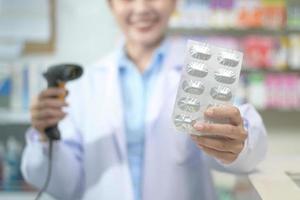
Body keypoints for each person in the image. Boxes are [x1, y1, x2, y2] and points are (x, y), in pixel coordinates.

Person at [21, 0, 267, 200]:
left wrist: (236, 141)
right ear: (111, 5)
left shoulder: (204, 70)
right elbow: (65, 185)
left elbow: (245, 145)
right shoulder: (87, 85)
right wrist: (45, 137)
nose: (141, 8)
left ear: (174, 3)